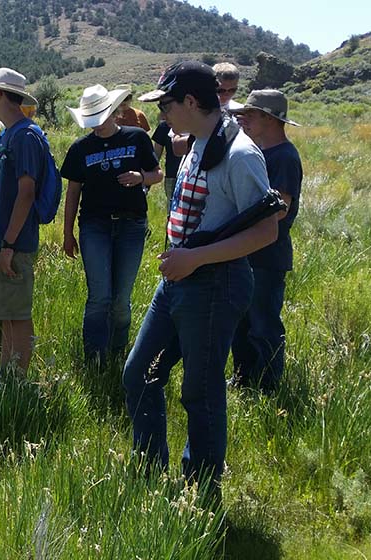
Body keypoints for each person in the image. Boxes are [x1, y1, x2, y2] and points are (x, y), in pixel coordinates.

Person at [125, 61, 279, 497]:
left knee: (201, 391)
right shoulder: (198, 142)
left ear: (191, 102)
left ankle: (200, 492)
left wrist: (197, 258)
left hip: (215, 282)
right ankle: (150, 473)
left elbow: (266, 230)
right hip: (181, 278)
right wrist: (186, 259)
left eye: (167, 105)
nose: (162, 115)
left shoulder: (240, 154)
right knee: (139, 374)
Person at [60, 85, 163, 365]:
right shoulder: (81, 148)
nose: (97, 124)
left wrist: (140, 177)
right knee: (99, 296)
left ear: (114, 112)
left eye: (101, 116)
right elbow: (72, 193)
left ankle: (118, 354)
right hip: (94, 227)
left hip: (131, 226)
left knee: (121, 299)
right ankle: (94, 356)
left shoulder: (137, 137)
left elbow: (158, 174)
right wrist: (68, 233)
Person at [0, 67, 47, 373]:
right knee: (6, 315)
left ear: (0, 95)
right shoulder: (9, 135)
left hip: (13, 243)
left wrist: (8, 244)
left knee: (17, 313)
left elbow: (26, 193)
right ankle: (7, 376)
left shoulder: (26, 136)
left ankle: (18, 381)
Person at [230, 90, 303, 393]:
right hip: (249, 251)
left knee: (263, 324)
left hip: (267, 255)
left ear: (269, 119)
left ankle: (268, 387)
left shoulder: (284, 156)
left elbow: (281, 207)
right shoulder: (260, 152)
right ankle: (243, 379)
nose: (243, 119)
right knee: (242, 323)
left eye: (250, 114)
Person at [151, 114, 182, 205]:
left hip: (193, 174)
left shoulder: (194, 124)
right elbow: (155, 155)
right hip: (172, 175)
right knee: (172, 208)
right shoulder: (164, 126)